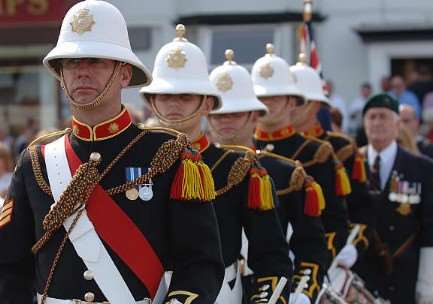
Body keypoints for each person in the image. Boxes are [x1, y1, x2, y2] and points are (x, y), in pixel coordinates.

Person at [0, 2, 224, 303]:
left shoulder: (169, 154)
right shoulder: (37, 159)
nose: (81, 72)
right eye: (71, 63)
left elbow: (200, 262)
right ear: (60, 75)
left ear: (125, 74)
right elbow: (11, 267)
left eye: (96, 61)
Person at [140, 27, 292, 304]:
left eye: (185, 96)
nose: (174, 103)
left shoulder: (240, 168)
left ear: (207, 103)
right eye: (164, 95)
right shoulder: (131, 162)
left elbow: (271, 256)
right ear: (151, 101)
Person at [207, 49, 329, 304]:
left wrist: (303, 292)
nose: (225, 121)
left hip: (268, 289)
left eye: (236, 113)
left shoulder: (285, 173)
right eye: (219, 115)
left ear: (254, 115)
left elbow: (310, 247)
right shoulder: (194, 172)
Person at [253, 47, 350, 267]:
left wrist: (313, 272)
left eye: (274, 97)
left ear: (291, 102)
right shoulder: (240, 150)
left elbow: (333, 223)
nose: (266, 103)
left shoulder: (316, 153)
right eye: (260, 96)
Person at [355, 93, 433, 304]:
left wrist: (427, 281)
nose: (377, 122)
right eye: (372, 117)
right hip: (360, 275)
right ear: (364, 124)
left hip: (404, 274)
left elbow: (431, 225)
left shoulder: (422, 167)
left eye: (383, 116)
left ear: (397, 125)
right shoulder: (348, 164)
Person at [290, 58, 372, 252]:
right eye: (289, 100)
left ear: (316, 105)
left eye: (300, 101)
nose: (292, 107)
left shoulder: (339, 147)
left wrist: (347, 246)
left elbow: (358, 208)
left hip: (330, 246)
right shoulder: (264, 147)